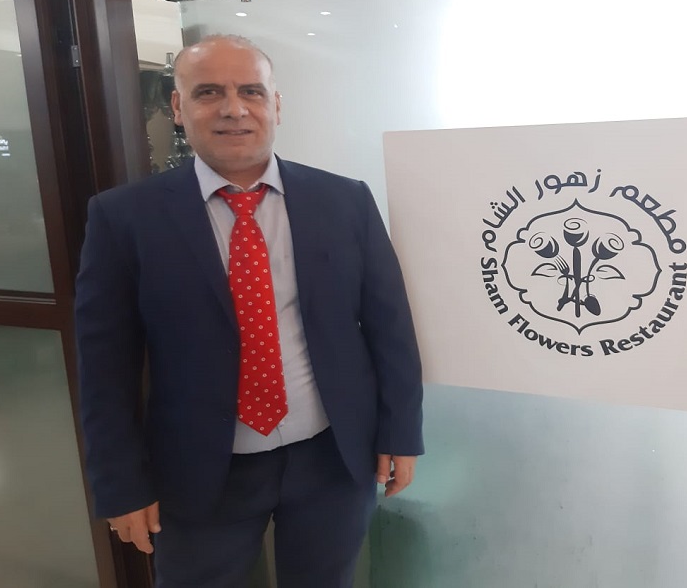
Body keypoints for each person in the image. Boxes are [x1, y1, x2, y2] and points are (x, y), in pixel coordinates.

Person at [74, 34, 424, 587]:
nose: (233, 109)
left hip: (332, 458)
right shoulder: (124, 219)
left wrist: (400, 431)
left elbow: (390, 328)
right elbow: (104, 368)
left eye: (251, 92)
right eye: (209, 92)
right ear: (178, 106)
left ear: (276, 105)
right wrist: (120, 483)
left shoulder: (345, 200)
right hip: (197, 469)